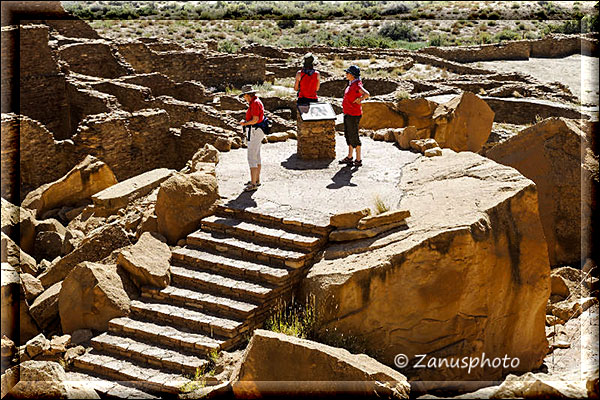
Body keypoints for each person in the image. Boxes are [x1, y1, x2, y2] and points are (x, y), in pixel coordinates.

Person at [340, 65, 370, 168]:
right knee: (348, 135)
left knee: (354, 136)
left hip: (353, 114)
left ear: (352, 75)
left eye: (347, 73)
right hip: (348, 113)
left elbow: (366, 94)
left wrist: (360, 100)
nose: (346, 74)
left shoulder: (356, 85)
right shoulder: (352, 83)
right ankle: (349, 156)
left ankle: (358, 159)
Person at [239, 84, 265, 192]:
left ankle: (253, 183)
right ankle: (256, 180)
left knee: (251, 157)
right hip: (258, 131)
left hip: (254, 131)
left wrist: (245, 123)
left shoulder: (254, 103)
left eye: (244, 96)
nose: (244, 98)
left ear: (247, 95)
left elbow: (255, 119)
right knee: (256, 155)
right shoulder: (256, 101)